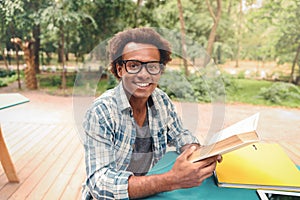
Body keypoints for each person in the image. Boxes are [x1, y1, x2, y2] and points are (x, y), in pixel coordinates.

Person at [81, 27, 221, 199]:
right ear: (119, 70)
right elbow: (99, 183)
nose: (144, 74)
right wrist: (171, 180)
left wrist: (197, 151)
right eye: (133, 65)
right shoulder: (101, 112)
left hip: (149, 193)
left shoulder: (161, 100)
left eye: (153, 66)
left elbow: (180, 135)